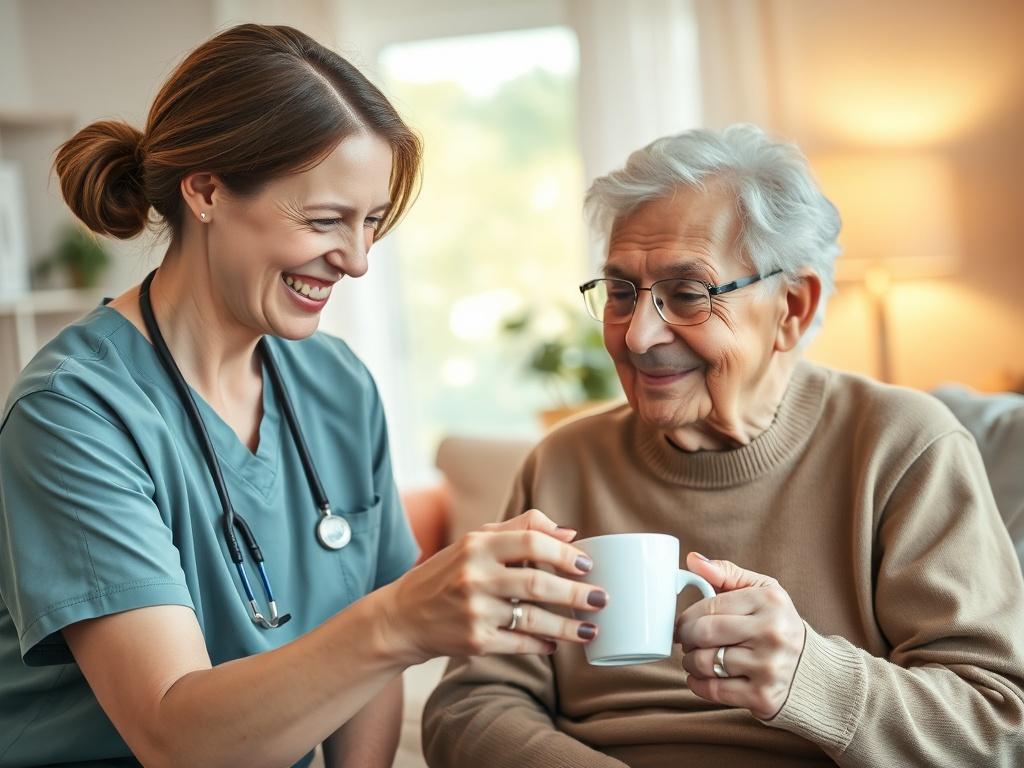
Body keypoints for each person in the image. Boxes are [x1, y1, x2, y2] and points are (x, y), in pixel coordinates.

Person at [0, 24, 606, 767]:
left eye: (371, 223)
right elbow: (173, 738)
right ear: (207, 190)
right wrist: (403, 619)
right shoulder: (74, 413)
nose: (355, 261)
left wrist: (390, 633)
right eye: (325, 221)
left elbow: (369, 674)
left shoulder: (336, 384)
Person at [422, 124, 1024, 767]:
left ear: (792, 306)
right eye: (622, 293)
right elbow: (471, 703)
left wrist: (808, 677)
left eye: (688, 294)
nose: (638, 336)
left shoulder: (904, 445)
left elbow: (997, 729)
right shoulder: (563, 462)